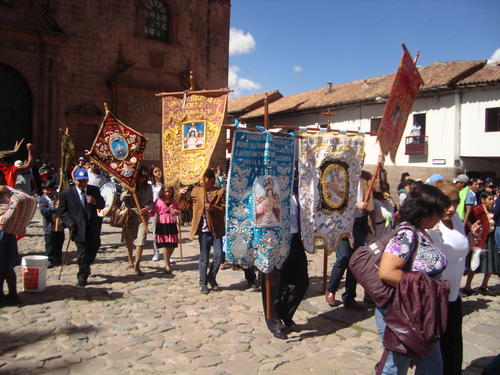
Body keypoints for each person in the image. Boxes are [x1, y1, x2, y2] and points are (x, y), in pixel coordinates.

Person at [376, 182, 450, 374]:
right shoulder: (406, 235)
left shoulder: (423, 232)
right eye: (438, 212)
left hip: (422, 311)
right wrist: (427, 286)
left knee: (432, 367)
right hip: (404, 312)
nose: (441, 216)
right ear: (424, 211)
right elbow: (387, 272)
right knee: (395, 367)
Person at [427, 180, 481, 375]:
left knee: (453, 348)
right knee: (435, 352)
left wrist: (472, 237)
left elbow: (460, 248)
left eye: (456, 202)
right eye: (447, 203)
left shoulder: (456, 219)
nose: (452, 208)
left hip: (454, 294)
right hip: (436, 297)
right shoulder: (432, 225)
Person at [261, 192, 309, 340]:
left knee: (302, 282)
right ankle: (274, 322)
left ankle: (285, 313)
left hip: (294, 239)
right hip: (274, 240)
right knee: (274, 284)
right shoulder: (270, 189)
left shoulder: (296, 189)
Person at [325, 170, 373, 309]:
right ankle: (331, 290)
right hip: (343, 224)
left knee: (355, 260)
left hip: (359, 223)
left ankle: (349, 296)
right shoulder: (340, 178)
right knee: (344, 257)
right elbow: (334, 201)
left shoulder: (365, 178)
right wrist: (355, 205)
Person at [179, 169, 225, 294]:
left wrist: (213, 208)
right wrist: (181, 196)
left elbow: (224, 208)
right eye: (200, 179)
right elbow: (186, 206)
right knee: (204, 258)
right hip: (203, 230)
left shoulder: (220, 192)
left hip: (216, 229)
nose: (201, 181)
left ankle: (211, 276)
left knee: (219, 255)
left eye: (203, 179)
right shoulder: (195, 191)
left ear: (211, 180)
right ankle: (203, 283)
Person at [56, 168, 105, 287]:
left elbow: (102, 204)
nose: (82, 183)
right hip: (78, 228)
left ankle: (86, 266)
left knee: (94, 248)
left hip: (93, 226)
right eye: (80, 181)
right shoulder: (67, 194)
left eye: (84, 181)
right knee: (82, 253)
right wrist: (69, 222)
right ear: (75, 180)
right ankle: (82, 276)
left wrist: (94, 201)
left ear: (87, 180)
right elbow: (62, 211)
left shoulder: (94, 190)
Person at [463, 191, 498, 296]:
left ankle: (484, 285)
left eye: (493, 199)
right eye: (490, 199)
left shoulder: (491, 210)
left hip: (490, 239)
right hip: (480, 239)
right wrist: (474, 229)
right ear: (483, 200)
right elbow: (468, 220)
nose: (492, 202)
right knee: (474, 263)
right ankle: (467, 286)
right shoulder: (477, 210)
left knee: (491, 263)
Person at [121, 166, 153, 275]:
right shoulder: (129, 185)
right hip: (130, 215)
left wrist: (147, 208)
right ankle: (130, 258)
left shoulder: (148, 187)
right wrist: (128, 191)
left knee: (141, 241)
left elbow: (152, 201)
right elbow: (121, 198)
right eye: (141, 176)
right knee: (129, 239)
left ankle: (137, 264)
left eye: (145, 177)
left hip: (143, 216)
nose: (143, 179)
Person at [148, 186, 181, 274]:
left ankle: (167, 258)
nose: (167, 193)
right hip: (162, 223)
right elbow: (152, 212)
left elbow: (179, 210)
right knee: (166, 244)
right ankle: (167, 264)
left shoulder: (173, 201)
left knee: (173, 244)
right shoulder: (158, 201)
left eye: (169, 191)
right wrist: (145, 213)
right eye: (166, 191)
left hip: (171, 223)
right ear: (162, 191)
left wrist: (176, 212)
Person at [0, 187, 21, 306]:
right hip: (7, 235)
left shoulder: (6, 204)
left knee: (5, 268)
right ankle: (9, 295)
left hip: (4, 236)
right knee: (6, 268)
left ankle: (11, 295)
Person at [39, 181, 65, 268]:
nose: (50, 191)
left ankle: (58, 258)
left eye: (51, 189)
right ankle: (49, 259)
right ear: (43, 190)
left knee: (59, 243)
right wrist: (54, 209)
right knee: (50, 244)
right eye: (48, 190)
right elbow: (44, 211)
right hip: (49, 227)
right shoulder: (43, 199)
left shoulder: (57, 197)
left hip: (59, 226)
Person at [149, 165, 164, 261]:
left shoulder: (165, 183)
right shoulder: (150, 184)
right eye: (156, 171)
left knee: (165, 231)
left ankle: (167, 252)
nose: (158, 173)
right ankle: (156, 252)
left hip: (164, 210)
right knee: (155, 231)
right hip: (154, 209)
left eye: (159, 170)